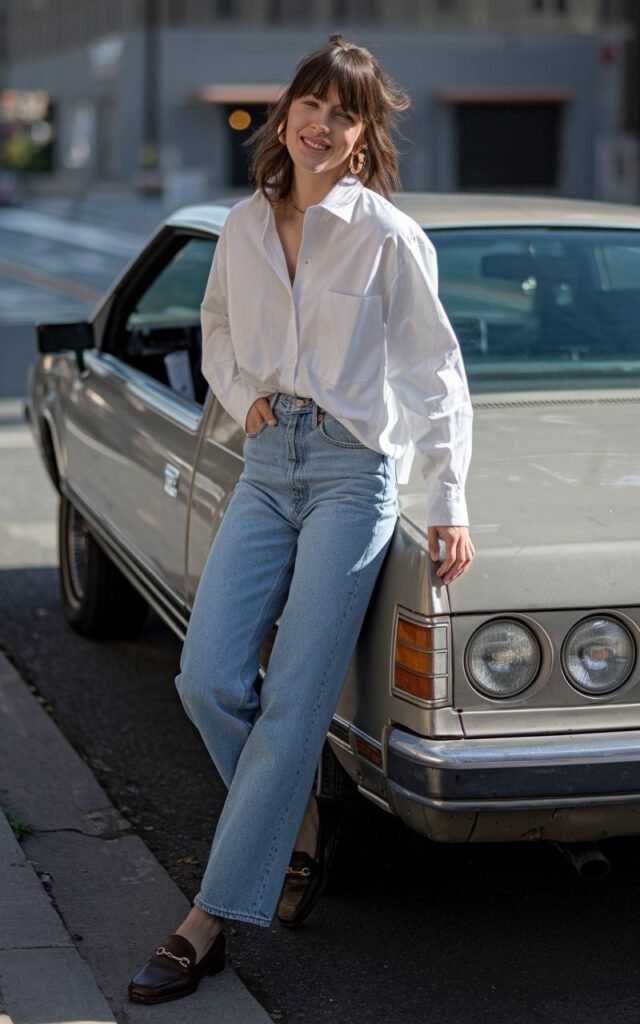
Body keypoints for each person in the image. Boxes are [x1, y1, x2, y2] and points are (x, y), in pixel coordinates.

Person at [128, 34, 474, 1006]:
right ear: (286, 115)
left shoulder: (387, 237)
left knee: (290, 702)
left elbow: (434, 375)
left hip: (352, 477)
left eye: (345, 112)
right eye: (309, 104)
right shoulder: (242, 224)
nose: (322, 123)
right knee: (207, 676)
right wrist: (243, 398)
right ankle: (303, 822)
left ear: (364, 137)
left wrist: (446, 503)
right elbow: (219, 328)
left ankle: (207, 921)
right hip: (267, 461)